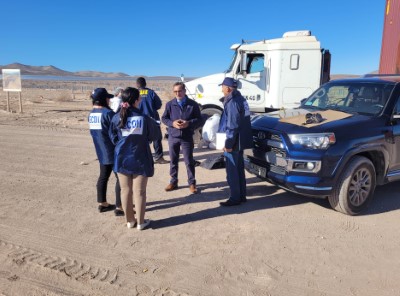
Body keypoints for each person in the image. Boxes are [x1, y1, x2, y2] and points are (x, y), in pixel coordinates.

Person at [109, 87, 161, 230]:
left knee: (125, 190)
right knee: (139, 192)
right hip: (141, 157)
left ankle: (130, 221)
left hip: (122, 158)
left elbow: (112, 137)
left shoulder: (116, 117)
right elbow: (155, 136)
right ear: (137, 100)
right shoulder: (144, 118)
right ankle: (141, 222)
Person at [161, 82, 203, 194]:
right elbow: (164, 118)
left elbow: (200, 119)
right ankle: (173, 181)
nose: (177, 93)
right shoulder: (170, 104)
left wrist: (188, 123)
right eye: (175, 91)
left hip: (187, 137)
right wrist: (172, 123)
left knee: (189, 161)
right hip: (173, 136)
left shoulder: (193, 104)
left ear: (184, 91)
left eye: (179, 91)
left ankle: (192, 183)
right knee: (173, 161)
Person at [217, 78, 253, 206]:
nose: (221, 89)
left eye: (222, 87)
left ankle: (235, 198)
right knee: (239, 170)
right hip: (240, 141)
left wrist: (228, 144)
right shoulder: (241, 99)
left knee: (232, 171)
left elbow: (232, 125)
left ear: (227, 88)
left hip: (234, 142)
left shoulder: (232, 102)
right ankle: (241, 196)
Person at [88, 88, 123, 216]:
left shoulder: (91, 114)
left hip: (101, 151)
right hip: (113, 151)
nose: (109, 99)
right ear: (104, 99)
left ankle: (102, 203)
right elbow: (117, 132)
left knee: (103, 176)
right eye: (107, 98)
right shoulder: (109, 114)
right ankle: (120, 206)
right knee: (121, 178)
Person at [136, 77, 168, 164]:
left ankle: (142, 158)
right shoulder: (151, 92)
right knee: (156, 138)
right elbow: (158, 105)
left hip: (139, 120)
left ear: (137, 84)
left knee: (140, 139)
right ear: (145, 84)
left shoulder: (135, 93)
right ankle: (158, 157)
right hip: (152, 118)